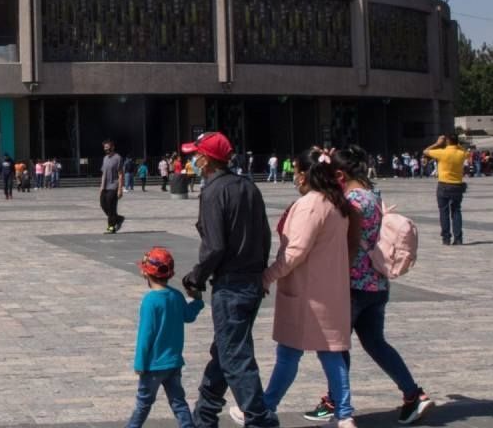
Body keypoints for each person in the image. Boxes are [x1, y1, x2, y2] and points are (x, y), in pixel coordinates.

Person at [302, 146, 434, 425]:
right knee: (375, 343)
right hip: (377, 283)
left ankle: (336, 400)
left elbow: (346, 242)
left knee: (335, 347)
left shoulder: (352, 202)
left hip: (353, 284)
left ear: (340, 174)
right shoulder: (374, 195)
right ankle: (413, 394)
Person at [235, 148, 355, 428]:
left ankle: (266, 406)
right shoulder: (336, 203)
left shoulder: (311, 205)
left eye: (296, 172)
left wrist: (267, 276)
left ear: (305, 175)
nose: (294, 177)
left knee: (290, 354)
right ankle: (345, 413)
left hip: (307, 292)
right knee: (330, 352)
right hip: (330, 290)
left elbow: (294, 252)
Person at [179, 131, 275, 428]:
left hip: (231, 285)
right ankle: (204, 416)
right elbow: (265, 235)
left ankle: (260, 421)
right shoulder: (248, 187)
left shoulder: (212, 192)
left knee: (235, 358)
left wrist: (195, 278)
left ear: (206, 159)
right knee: (225, 351)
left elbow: (215, 246)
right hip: (251, 281)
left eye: (195, 154)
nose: (191, 159)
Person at [127, 247, 204, 428]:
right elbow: (188, 316)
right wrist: (198, 301)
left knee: (143, 404)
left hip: (153, 365)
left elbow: (145, 335)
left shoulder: (150, 301)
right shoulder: (176, 295)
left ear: (146, 273)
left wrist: (139, 363)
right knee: (178, 402)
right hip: (174, 363)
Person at [423, 134, 467, 246]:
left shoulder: (442, 152)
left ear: (447, 141)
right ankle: (458, 238)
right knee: (456, 211)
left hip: (444, 185)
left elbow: (425, 151)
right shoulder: (461, 153)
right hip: (457, 185)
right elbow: (467, 152)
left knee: (444, 212)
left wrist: (437, 143)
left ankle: (446, 238)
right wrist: (457, 145)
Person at [100, 140, 125, 233]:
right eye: (105, 148)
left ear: (113, 147)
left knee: (111, 207)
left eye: (108, 148)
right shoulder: (105, 158)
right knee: (103, 205)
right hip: (105, 187)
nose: (106, 150)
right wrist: (101, 187)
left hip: (114, 186)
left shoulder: (118, 158)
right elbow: (103, 174)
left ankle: (111, 227)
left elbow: (120, 174)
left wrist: (120, 189)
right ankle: (118, 219)